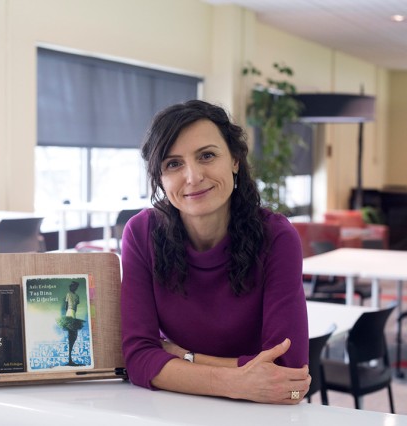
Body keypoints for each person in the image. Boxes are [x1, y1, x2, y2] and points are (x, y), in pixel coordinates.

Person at [120, 99, 310, 404]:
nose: (193, 177)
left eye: (207, 155)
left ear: (234, 160)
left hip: (258, 414)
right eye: (173, 164)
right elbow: (138, 358)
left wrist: (182, 357)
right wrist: (236, 381)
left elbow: (287, 372)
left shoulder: (276, 237)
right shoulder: (142, 234)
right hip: (175, 409)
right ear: (160, 178)